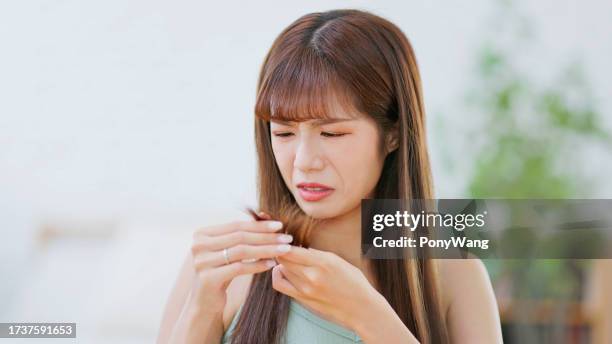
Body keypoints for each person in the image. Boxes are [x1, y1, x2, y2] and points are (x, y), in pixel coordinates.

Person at [157, 9, 503, 344]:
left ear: (394, 133)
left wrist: (370, 316)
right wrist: (202, 308)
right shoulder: (224, 266)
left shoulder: (455, 276)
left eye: (332, 134)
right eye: (283, 133)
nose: (304, 162)